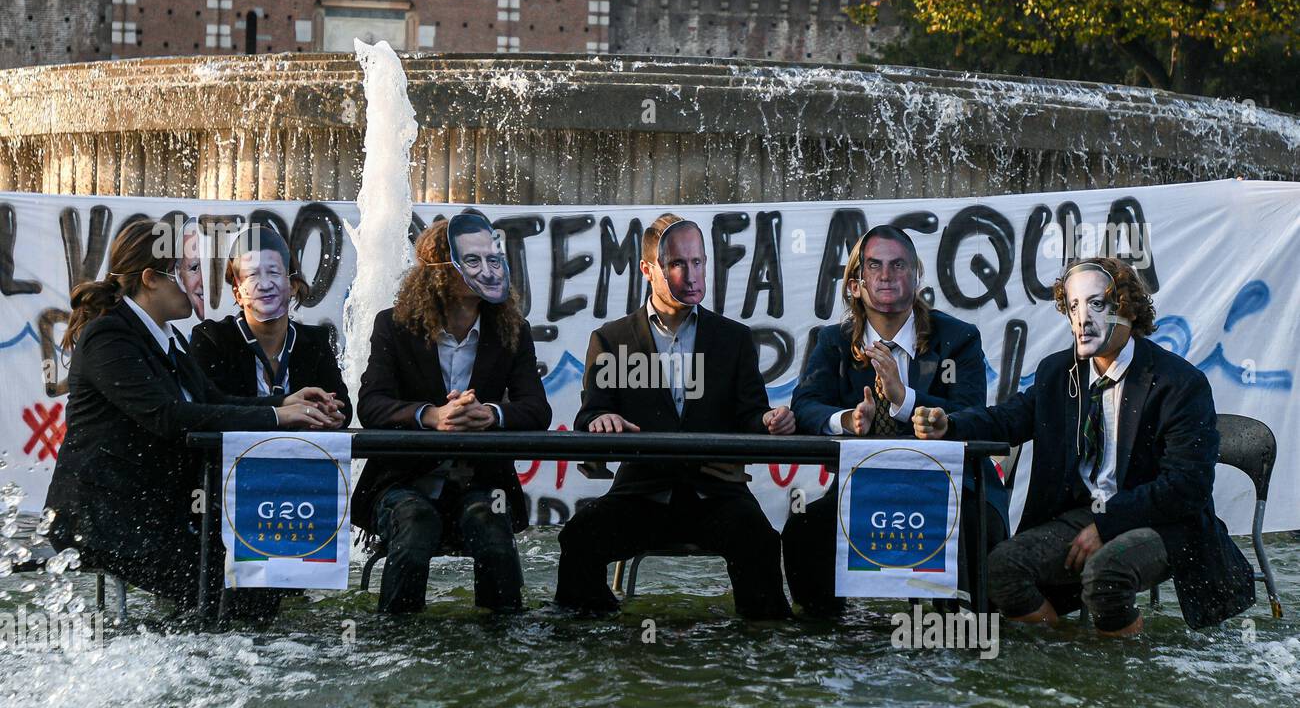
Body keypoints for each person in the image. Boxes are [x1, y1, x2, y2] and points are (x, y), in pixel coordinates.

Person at [914, 256, 1255, 635]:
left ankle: (1128, 674)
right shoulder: (1058, 373)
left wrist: (1107, 522)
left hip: (1163, 522)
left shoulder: (1179, 383)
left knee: (1106, 574)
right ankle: (1064, 660)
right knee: (1002, 569)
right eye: (1073, 306)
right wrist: (950, 423)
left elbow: (1186, 488)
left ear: (1125, 308)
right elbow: (1007, 419)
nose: (1082, 318)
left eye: (1096, 304)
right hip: (1082, 514)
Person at [44, 217, 345, 619]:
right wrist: (278, 416)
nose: (201, 281)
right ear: (151, 278)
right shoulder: (108, 338)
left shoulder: (167, 336)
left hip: (153, 511)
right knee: (237, 589)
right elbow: (170, 417)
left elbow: (213, 400)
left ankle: (216, 654)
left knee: (261, 577)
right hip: (102, 517)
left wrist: (289, 401)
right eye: (190, 269)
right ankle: (200, 662)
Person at [554, 213, 797, 620]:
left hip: (717, 494)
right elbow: (591, 412)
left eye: (698, 262)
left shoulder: (733, 339)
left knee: (759, 540)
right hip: (642, 494)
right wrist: (601, 420)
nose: (692, 275)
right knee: (579, 536)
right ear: (649, 270)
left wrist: (772, 421)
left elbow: (751, 415)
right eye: (678, 264)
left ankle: (763, 651)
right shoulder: (610, 340)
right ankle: (592, 638)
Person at [781, 225, 1008, 616]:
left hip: (950, 490)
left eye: (898, 265)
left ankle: (961, 634)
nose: (886, 274)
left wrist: (906, 400)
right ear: (856, 284)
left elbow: (972, 411)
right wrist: (848, 420)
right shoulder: (832, 341)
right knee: (805, 528)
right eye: (875, 266)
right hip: (862, 490)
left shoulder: (959, 338)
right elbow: (806, 404)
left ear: (916, 277)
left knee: (978, 524)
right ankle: (826, 638)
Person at [351, 213, 551, 614]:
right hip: (401, 481)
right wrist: (430, 416)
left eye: (491, 259)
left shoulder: (513, 330)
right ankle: (395, 641)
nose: (488, 270)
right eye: (471, 261)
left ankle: (503, 643)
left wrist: (491, 415)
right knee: (415, 522)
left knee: (492, 530)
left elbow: (536, 409)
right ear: (440, 271)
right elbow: (371, 404)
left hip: (479, 480)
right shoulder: (393, 326)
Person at [190, 223, 352, 424]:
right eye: (251, 275)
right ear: (237, 293)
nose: (265, 285)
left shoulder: (314, 341)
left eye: (274, 272)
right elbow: (210, 406)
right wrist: (282, 406)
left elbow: (342, 405)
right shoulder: (212, 338)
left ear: (292, 285)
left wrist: (329, 412)